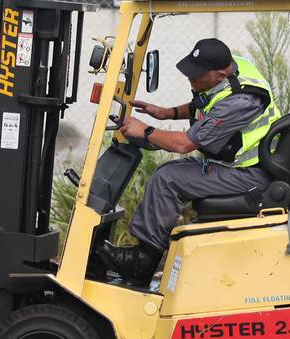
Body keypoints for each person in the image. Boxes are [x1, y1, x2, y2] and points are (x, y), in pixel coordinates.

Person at [102, 38, 279, 283]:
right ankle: (143, 256)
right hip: (238, 168)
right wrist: (167, 113)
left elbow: (184, 144)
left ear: (220, 74)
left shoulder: (240, 102)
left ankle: (142, 263)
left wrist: (144, 130)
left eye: (196, 75)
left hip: (249, 176)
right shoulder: (235, 68)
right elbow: (206, 102)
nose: (190, 79)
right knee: (169, 174)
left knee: (168, 178)